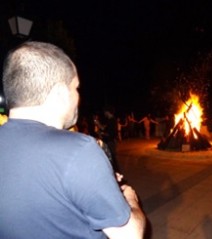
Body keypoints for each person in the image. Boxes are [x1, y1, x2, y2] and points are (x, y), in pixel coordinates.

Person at [0, 41, 146, 239]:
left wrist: (102, 184)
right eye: (76, 88)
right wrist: (130, 200)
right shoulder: (79, 150)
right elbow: (130, 235)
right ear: (60, 93)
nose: (78, 97)